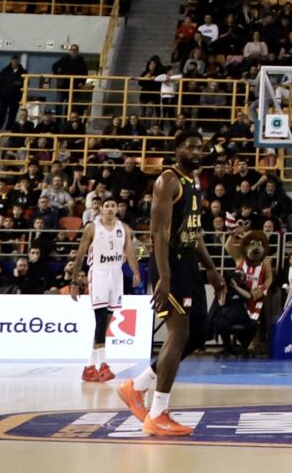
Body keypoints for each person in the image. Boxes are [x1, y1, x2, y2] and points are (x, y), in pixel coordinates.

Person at [116, 127, 227, 437]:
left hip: (189, 264)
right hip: (171, 265)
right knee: (177, 333)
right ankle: (157, 412)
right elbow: (158, 233)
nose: (197, 152)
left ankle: (135, 387)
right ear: (177, 150)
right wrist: (164, 277)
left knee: (199, 332)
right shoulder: (169, 180)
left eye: (200, 147)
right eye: (190, 147)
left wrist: (212, 270)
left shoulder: (195, 183)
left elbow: (195, 232)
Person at [67, 198, 137, 382]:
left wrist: (136, 272)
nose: (110, 209)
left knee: (106, 321)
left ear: (118, 209)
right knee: (100, 317)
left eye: (113, 206)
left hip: (116, 273)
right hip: (98, 272)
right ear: (101, 209)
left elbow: (130, 251)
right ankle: (104, 365)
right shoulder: (92, 227)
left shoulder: (124, 228)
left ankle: (90, 367)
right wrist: (74, 281)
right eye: (107, 206)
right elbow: (81, 253)